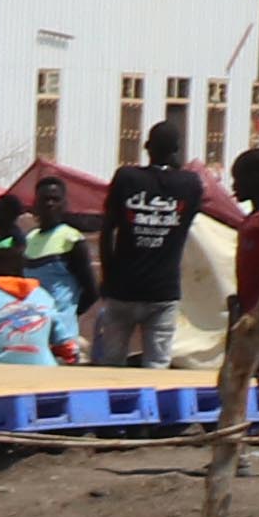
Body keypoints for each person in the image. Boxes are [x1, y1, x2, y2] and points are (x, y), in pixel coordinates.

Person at [91, 121, 202, 369]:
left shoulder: (126, 178)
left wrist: (108, 277)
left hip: (122, 290)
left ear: (147, 147)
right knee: (157, 366)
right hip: (163, 293)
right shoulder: (189, 184)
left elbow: (107, 230)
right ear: (176, 150)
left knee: (110, 364)